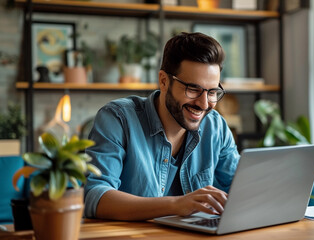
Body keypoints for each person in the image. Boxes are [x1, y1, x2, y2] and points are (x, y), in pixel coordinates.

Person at [84, 32, 240, 221]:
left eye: (212, 92)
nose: (204, 103)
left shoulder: (215, 126)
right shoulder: (117, 119)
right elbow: (94, 197)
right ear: (164, 80)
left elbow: (241, 188)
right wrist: (176, 204)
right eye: (193, 89)